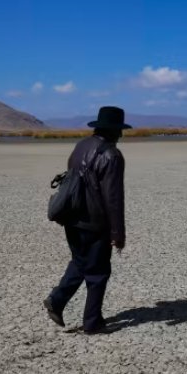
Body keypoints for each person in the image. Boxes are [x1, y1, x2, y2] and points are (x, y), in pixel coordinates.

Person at [44, 106, 129, 334]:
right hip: (94, 222)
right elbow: (113, 199)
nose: (121, 136)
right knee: (98, 272)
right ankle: (93, 323)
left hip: (72, 216)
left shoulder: (81, 145)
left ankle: (57, 300)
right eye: (120, 130)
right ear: (114, 131)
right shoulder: (112, 155)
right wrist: (117, 234)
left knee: (81, 261)